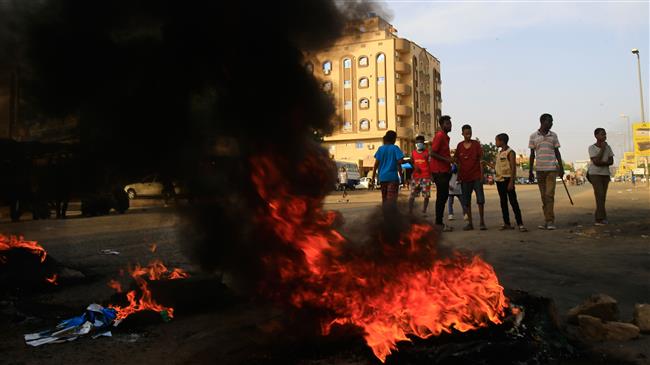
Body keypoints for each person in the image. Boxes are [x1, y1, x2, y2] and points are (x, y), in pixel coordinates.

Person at [529, 113, 564, 230]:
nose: (552, 123)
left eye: (552, 121)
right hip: (539, 170)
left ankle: (550, 221)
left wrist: (561, 167)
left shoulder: (554, 136)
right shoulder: (533, 136)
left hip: (551, 169)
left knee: (549, 195)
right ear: (543, 122)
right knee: (544, 197)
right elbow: (532, 155)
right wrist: (530, 171)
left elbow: (557, 152)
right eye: (550, 121)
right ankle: (547, 220)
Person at [454, 124, 486, 231]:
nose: (468, 135)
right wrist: (458, 176)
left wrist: (482, 175)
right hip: (464, 178)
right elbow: (458, 162)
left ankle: (482, 222)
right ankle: (470, 223)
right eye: (466, 133)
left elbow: (481, 161)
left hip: (476, 177)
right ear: (462, 134)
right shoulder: (459, 146)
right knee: (466, 202)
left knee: (480, 200)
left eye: (470, 133)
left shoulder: (476, 144)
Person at [494, 133, 527, 232]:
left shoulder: (510, 152)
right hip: (499, 181)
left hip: (507, 180)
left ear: (502, 141)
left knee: (513, 202)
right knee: (503, 202)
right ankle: (506, 223)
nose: (496, 142)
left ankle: (520, 224)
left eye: (496, 140)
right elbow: (497, 168)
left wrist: (511, 182)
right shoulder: (499, 153)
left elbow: (513, 168)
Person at [430, 116, 454, 231]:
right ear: (441, 125)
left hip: (444, 171)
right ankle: (438, 224)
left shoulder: (445, 137)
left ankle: (439, 222)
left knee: (443, 197)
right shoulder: (439, 136)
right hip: (439, 172)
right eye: (447, 124)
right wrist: (447, 160)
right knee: (441, 198)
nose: (449, 125)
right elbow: (432, 153)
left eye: (450, 123)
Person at [588, 128, 614, 225]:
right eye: (602, 134)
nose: (604, 136)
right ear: (596, 136)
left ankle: (601, 217)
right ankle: (599, 218)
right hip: (595, 174)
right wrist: (602, 149)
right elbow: (595, 162)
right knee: (599, 195)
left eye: (605, 134)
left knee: (602, 197)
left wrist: (602, 162)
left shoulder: (609, 147)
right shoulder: (591, 148)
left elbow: (611, 161)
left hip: (605, 174)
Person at [372, 130, 404, 209]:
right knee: (392, 200)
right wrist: (402, 177)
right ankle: (391, 217)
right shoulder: (395, 148)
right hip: (392, 178)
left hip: (382, 178)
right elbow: (399, 162)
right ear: (393, 139)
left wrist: (373, 177)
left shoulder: (380, 149)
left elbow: (376, 164)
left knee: (385, 199)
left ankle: (385, 217)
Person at [408, 135, 431, 215]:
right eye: (417, 142)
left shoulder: (427, 153)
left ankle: (424, 210)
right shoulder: (413, 153)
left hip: (426, 177)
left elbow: (430, 164)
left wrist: (432, 176)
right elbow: (410, 161)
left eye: (421, 142)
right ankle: (410, 211)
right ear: (415, 144)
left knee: (426, 195)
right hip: (415, 178)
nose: (419, 144)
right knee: (412, 195)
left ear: (423, 143)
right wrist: (414, 166)